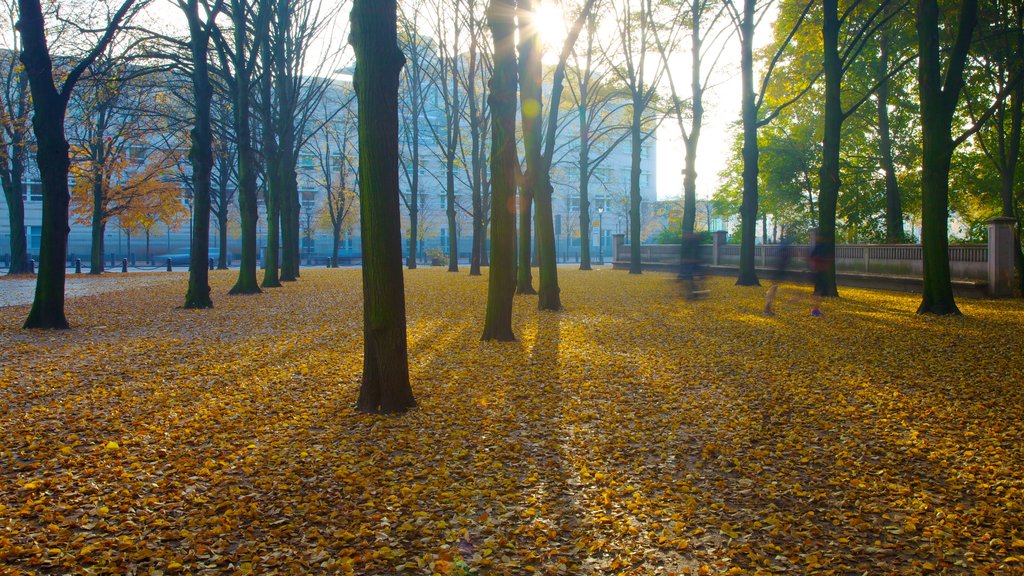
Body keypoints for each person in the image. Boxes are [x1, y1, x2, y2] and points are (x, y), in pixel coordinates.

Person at [763, 237, 792, 315]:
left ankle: (767, 308)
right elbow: (785, 261)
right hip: (779, 271)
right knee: (773, 289)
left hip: (777, 270)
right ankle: (767, 309)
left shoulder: (780, 249)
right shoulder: (784, 251)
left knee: (773, 289)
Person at [677, 233, 707, 300]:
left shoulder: (693, 246)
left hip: (690, 267)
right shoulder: (693, 245)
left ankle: (692, 295)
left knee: (689, 280)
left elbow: (694, 256)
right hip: (689, 267)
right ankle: (692, 295)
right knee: (688, 280)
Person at [807, 237, 832, 316]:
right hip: (821, 272)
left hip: (817, 271)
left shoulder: (817, 247)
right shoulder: (823, 247)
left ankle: (815, 309)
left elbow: (810, 257)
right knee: (819, 292)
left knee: (819, 291)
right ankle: (815, 310)